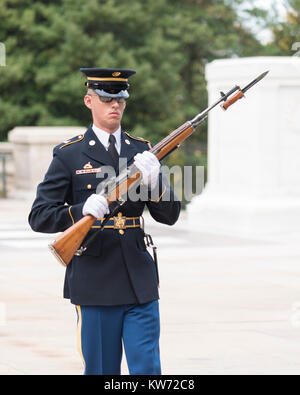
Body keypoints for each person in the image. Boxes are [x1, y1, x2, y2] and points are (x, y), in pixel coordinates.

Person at [28, 68, 181, 375]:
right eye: (106, 98)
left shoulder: (142, 150)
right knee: (101, 369)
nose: (115, 105)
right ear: (89, 101)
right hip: (95, 280)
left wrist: (154, 184)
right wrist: (82, 209)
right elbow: (40, 215)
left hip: (139, 278)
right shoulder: (69, 155)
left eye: (120, 99)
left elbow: (170, 215)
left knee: (148, 369)